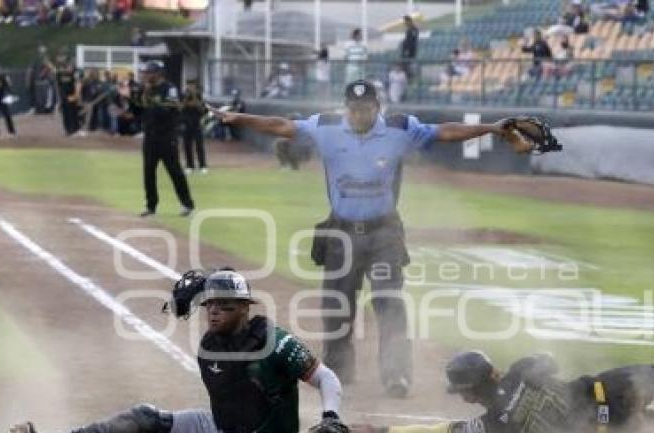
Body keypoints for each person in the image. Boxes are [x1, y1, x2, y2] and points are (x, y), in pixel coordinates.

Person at [211, 80, 536, 398]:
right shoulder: (326, 126)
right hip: (341, 233)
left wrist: (492, 129)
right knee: (337, 306)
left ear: (377, 107)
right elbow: (281, 126)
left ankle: (396, 375)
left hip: (384, 234)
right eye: (353, 109)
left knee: (389, 303)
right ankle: (339, 373)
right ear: (345, 108)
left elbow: (446, 132)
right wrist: (238, 118)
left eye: (365, 108)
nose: (358, 114)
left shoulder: (399, 128)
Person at [0, 269, 349, 433]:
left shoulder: (275, 342)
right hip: (216, 426)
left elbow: (325, 377)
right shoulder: (210, 343)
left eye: (225, 306)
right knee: (140, 419)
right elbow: (204, 291)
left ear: (245, 309)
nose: (214, 312)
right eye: (210, 306)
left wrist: (331, 416)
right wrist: (189, 295)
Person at [352, 351, 654, 433]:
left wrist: (384, 432)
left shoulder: (495, 427)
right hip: (610, 389)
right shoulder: (522, 369)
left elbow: (443, 432)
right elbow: (551, 361)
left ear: (472, 393)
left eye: (464, 392)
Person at [122, 60, 195, 217]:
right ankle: (151, 206)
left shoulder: (170, 89)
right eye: (145, 73)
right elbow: (138, 111)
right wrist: (129, 98)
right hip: (150, 136)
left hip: (167, 136)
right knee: (148, 172)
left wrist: (149, 98)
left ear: (158, 74)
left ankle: (187, 204)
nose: (146, 75)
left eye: (149, 73)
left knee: (174, 171)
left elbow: (168, 110)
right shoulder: (145, 90)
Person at [180, 78, 208, 174]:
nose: (190, 87)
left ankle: (203, 166)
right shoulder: (183, 95)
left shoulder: (199, 95)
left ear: (195, 86)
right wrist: (186, 99)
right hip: (186, 123)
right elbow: (180, 108)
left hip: (196, 123)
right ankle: (189, 166)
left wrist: (195, 98)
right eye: (188, 85)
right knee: (187, 145)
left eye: (192, 85)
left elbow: (201, 109)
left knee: (199, 145)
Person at [54, 51, 81, 136]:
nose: (70, 67)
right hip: (64, 96)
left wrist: (76, 95)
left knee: (74, 112)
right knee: (67, 113)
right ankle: (69, 130)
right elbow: (58, 84)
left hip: (72, 95)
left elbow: (77, 83)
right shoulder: (59, 73)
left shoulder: (73, 74)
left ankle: (76, 129)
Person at [400, 15, 419, 79]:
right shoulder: (409, 30)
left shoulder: (413, 29)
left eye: (405, 21)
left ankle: (410, 78)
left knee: (408, 66)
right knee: (404, 66)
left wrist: (407, 51)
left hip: (410, 52)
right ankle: (408, 77)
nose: (405, 23)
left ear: (409, 21)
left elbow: (411, 42)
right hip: (406, 52)